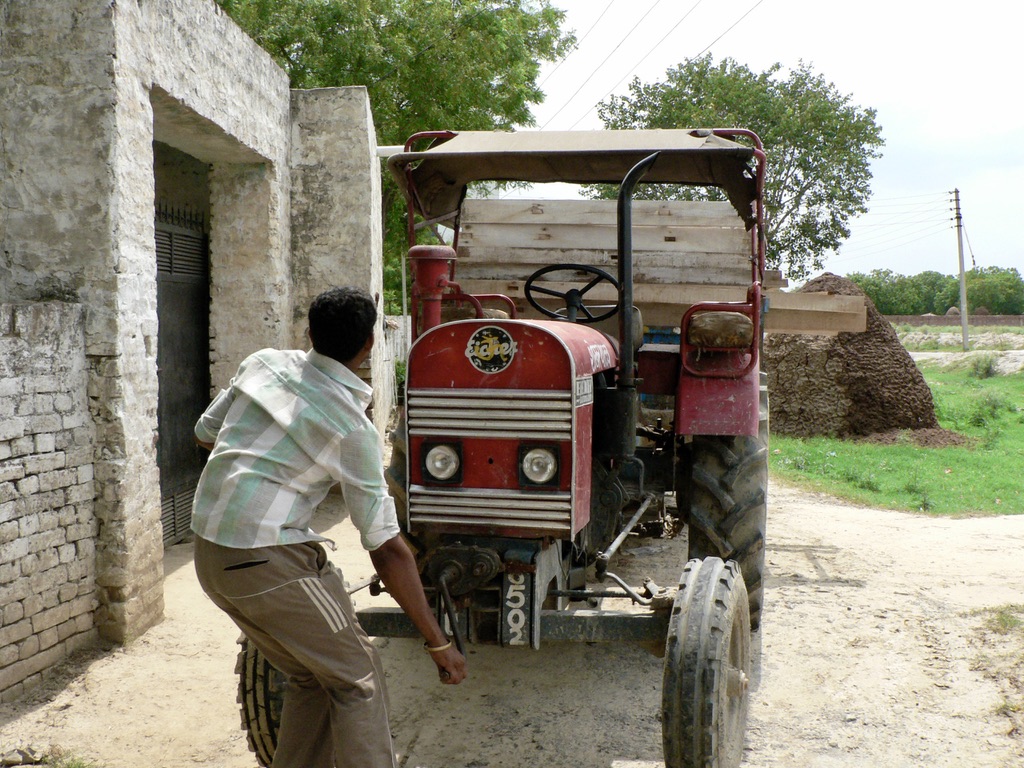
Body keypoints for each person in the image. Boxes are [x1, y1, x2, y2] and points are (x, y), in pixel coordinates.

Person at [191, 285, 466, 768]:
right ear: (369, 347)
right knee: (358, 677)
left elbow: (206, 434)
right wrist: (438, 642)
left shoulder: (263, 364)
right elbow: (385, 547)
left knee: (311, 679)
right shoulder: (351, 427)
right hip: (269, 561)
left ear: (309, 331)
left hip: (210, 556)